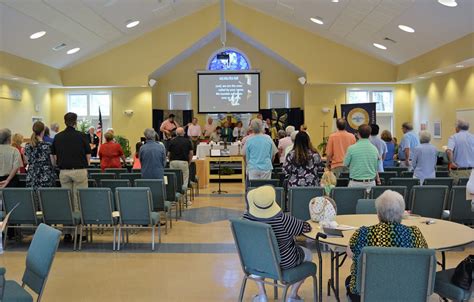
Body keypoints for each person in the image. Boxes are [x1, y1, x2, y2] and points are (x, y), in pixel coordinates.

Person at [346, 190, 428, 301]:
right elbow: (423, 257)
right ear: (402, 214)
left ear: (378, 214)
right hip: (406, 292)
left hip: (367, 293)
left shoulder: (363, 233)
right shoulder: (414, 233)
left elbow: (350, 253)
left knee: (349, 280)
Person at [243, 186, 313, 302]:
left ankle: (262, 295)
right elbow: (305, 227)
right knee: (309, 254)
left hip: (256, 262)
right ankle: (293, 295)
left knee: (257, 257)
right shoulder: (283, 219)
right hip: (284, 262)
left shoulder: (246, 219)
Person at [52, 112, 91, 211]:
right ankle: (78, 221)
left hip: (64, 171)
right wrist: (87, 165)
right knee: (79, 198)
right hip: (79, 170)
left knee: (67, 198)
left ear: (65, 122)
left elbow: (54, 155)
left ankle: (69, 221)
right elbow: (88, 153)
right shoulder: (82, 135)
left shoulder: (58, 137)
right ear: (75, 122)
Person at [24, 121, 56, 208]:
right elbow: (53, 163)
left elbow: (26, 161)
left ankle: (36, 221)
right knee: (47, 204)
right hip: (46, 176)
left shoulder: (27, 146)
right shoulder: (48, 145)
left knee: (34, 204)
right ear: (43, 131)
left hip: (32, 176)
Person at [344, 124, 381, 191]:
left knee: (352, 201)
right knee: (369, 201)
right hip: (371, 183)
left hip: (355, 183)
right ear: (370, 135)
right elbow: (376, 166)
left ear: (358, 134)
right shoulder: (375, 149)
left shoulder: (351, 149)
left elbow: (345, 164)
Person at [168, 128, 194, 205]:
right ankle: (185, 200)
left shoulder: (172, 141)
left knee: (173, 181)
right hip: (183, 162)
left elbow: (168, 154)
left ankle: (173, 200)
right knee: (184, 181)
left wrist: (170, 161)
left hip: (173, 162)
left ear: (176, 133)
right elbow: (191, 153)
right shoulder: (187, 141)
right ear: (183, 133)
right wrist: (188, 162)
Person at [446, 119, 474, 184]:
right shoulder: (473, 137)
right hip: (472, 172)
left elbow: (449, 151)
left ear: (458, 128)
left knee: (458, 192)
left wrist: (451, 162)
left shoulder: (453, 137)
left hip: (459, 171)